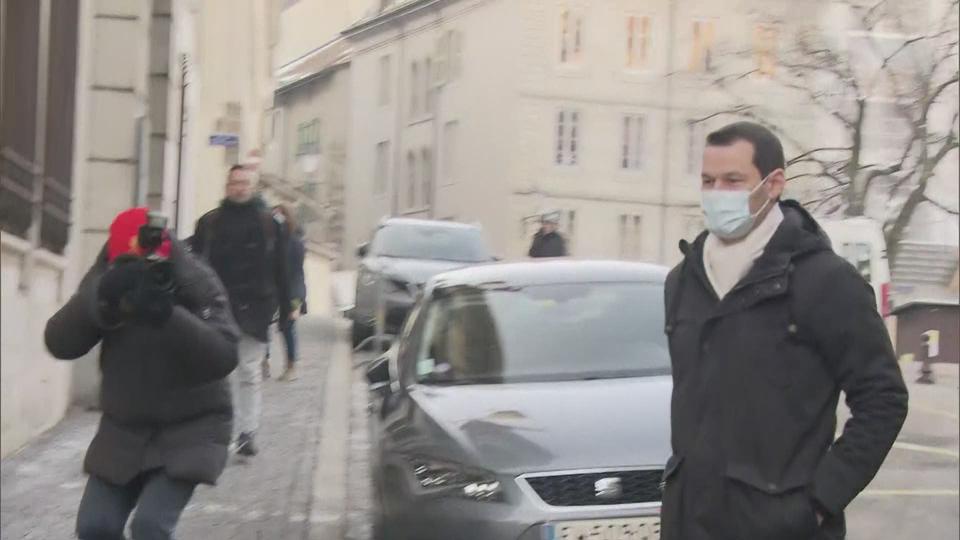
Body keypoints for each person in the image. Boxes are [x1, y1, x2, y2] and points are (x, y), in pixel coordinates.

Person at [661, 122, 908, 540]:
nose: (718, 193)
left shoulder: (826, 282)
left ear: (774, 184)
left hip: (783, 527)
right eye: (708, 181)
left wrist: (819, 501)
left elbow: (883, 398)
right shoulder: (683, 281)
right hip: (690, 523)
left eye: (733, 180)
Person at [45, 207, 239, 540]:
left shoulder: (194, 278)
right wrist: (101, 299)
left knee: (150, 526)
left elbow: (223, 354)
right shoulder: (107, 277)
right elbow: (60, 342)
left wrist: (167, 314)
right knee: (95, 527)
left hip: (192, 428)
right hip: (124, 432)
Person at [191, 165, 291, 457]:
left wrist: (287, 309)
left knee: (248, 371)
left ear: (253, 186)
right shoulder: (209, 223)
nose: (240, 188)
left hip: (256, 308)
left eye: (245, 183)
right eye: (235, 182)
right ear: (227, 186)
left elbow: (283, 269)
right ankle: (217, 430)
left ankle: (247, 432)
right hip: (216, 308)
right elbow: (194, 268)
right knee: (216, 372)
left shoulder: (270, 224)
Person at [272, 204, 307, 382]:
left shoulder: (295, 243)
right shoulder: (272, 241)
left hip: (291, 291)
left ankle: (291, 365)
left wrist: (297, 301)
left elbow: (297, 273)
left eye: (280, 215)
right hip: (272, 290)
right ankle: (263, 362)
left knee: (288, 327)